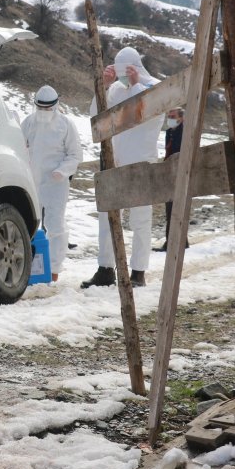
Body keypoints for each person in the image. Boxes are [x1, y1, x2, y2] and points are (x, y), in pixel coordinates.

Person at [82, 47, 165, 288]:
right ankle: (106, 267)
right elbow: (95, 116)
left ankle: (138, 271)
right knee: (107, 218)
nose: (122, 79)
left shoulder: (152, 87)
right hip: (114, 162)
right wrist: (105, 87)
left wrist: (137, 87)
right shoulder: (116, 89)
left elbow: (148, 115)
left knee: (139, 219)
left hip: (141, 162)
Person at [20, 85, 83, 283]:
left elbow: (75, 155)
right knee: (29, 224)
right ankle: (27, 268)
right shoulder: (28, 123)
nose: (44, 113)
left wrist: (62, 171)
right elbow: (20, 148)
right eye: (41, 108)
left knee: (55, 225)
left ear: (55, 106)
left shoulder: (66, 125)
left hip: (56, 183)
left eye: (48, 109)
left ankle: (54, 268)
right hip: (32, 181)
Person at [154, 107, 190, 252]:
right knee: (170, 208)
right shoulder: (169, 132)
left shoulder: (185, 131)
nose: (170, 118)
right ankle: (181, 241)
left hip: (181, 172)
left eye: (172, 116)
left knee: (176, 207)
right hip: (170, 172)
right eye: (169, 116)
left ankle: (172, 242)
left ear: (181, 118)